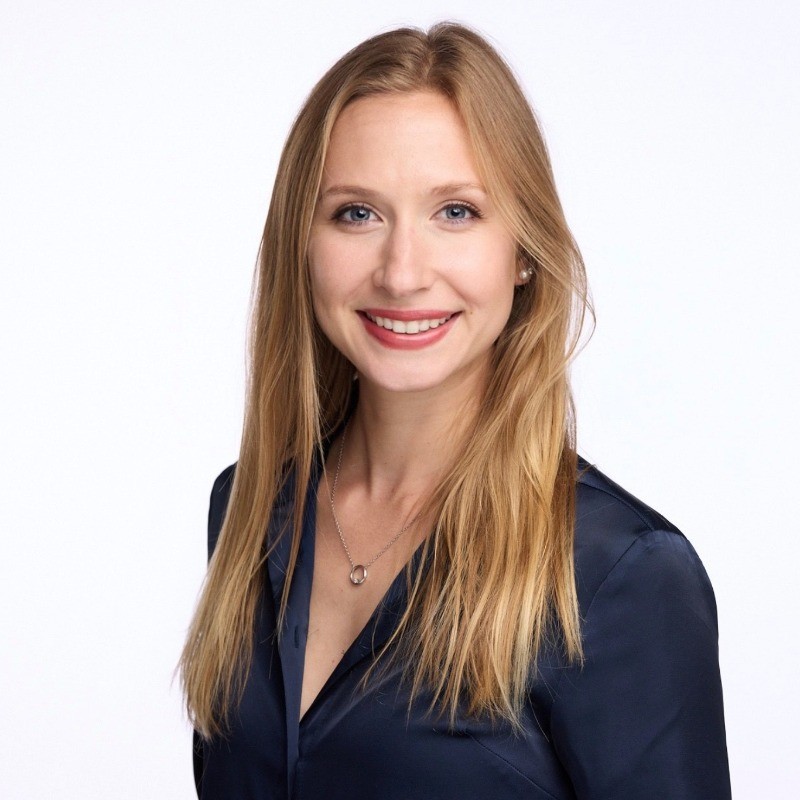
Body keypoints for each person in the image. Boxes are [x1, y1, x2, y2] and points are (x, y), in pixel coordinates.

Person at [180, 22, 731, 799]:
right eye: (357, 213)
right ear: (301, 244)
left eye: (457, 212)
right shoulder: (249, 508)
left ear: (525, 250)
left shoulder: (619, 575)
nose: (402, 273)